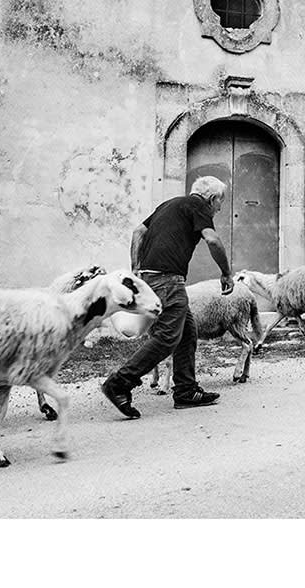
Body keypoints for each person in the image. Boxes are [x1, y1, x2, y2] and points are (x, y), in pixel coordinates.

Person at [100, 175, 234, 417]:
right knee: (167, 336)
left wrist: (136, 267)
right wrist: (226, 273)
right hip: (168, 280)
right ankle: (119, 383)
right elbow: (213, 240)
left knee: (187, 332)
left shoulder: (169, 205)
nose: (219, 208)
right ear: (212, 198)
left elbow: (138, 232)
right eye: (220, 202)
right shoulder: (199, 205)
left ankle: (185, 390)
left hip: (153, 277)